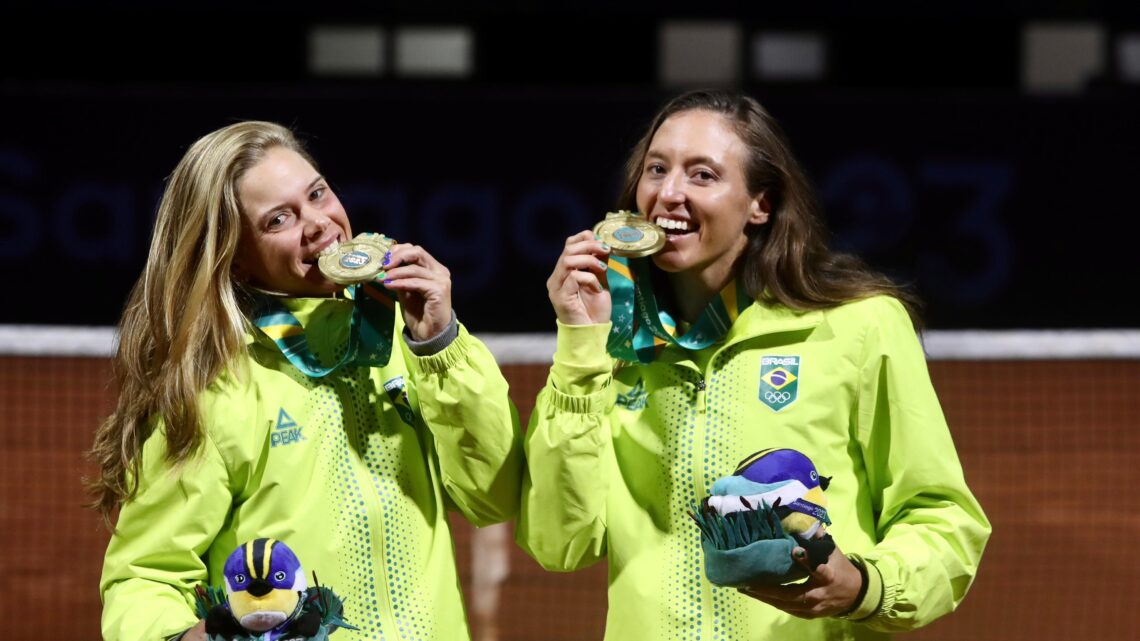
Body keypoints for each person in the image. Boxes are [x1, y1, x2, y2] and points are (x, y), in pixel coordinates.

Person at [517, 89, 991, 640]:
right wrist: (581, 344)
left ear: (760, 204)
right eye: (657, 169)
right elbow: (559, 542)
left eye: (702, 175)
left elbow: (942, 516)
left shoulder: (859, 326)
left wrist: (866, 585)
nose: (669, 193)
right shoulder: (615, 345)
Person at [89, 121, 523, 641]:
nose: (319, 224)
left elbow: (493, 496)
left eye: (317, 193)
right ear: (238, 259)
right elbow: (145, 574)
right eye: (279, 219)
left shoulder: (406, 342)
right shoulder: (216, 390)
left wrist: (440, 344)